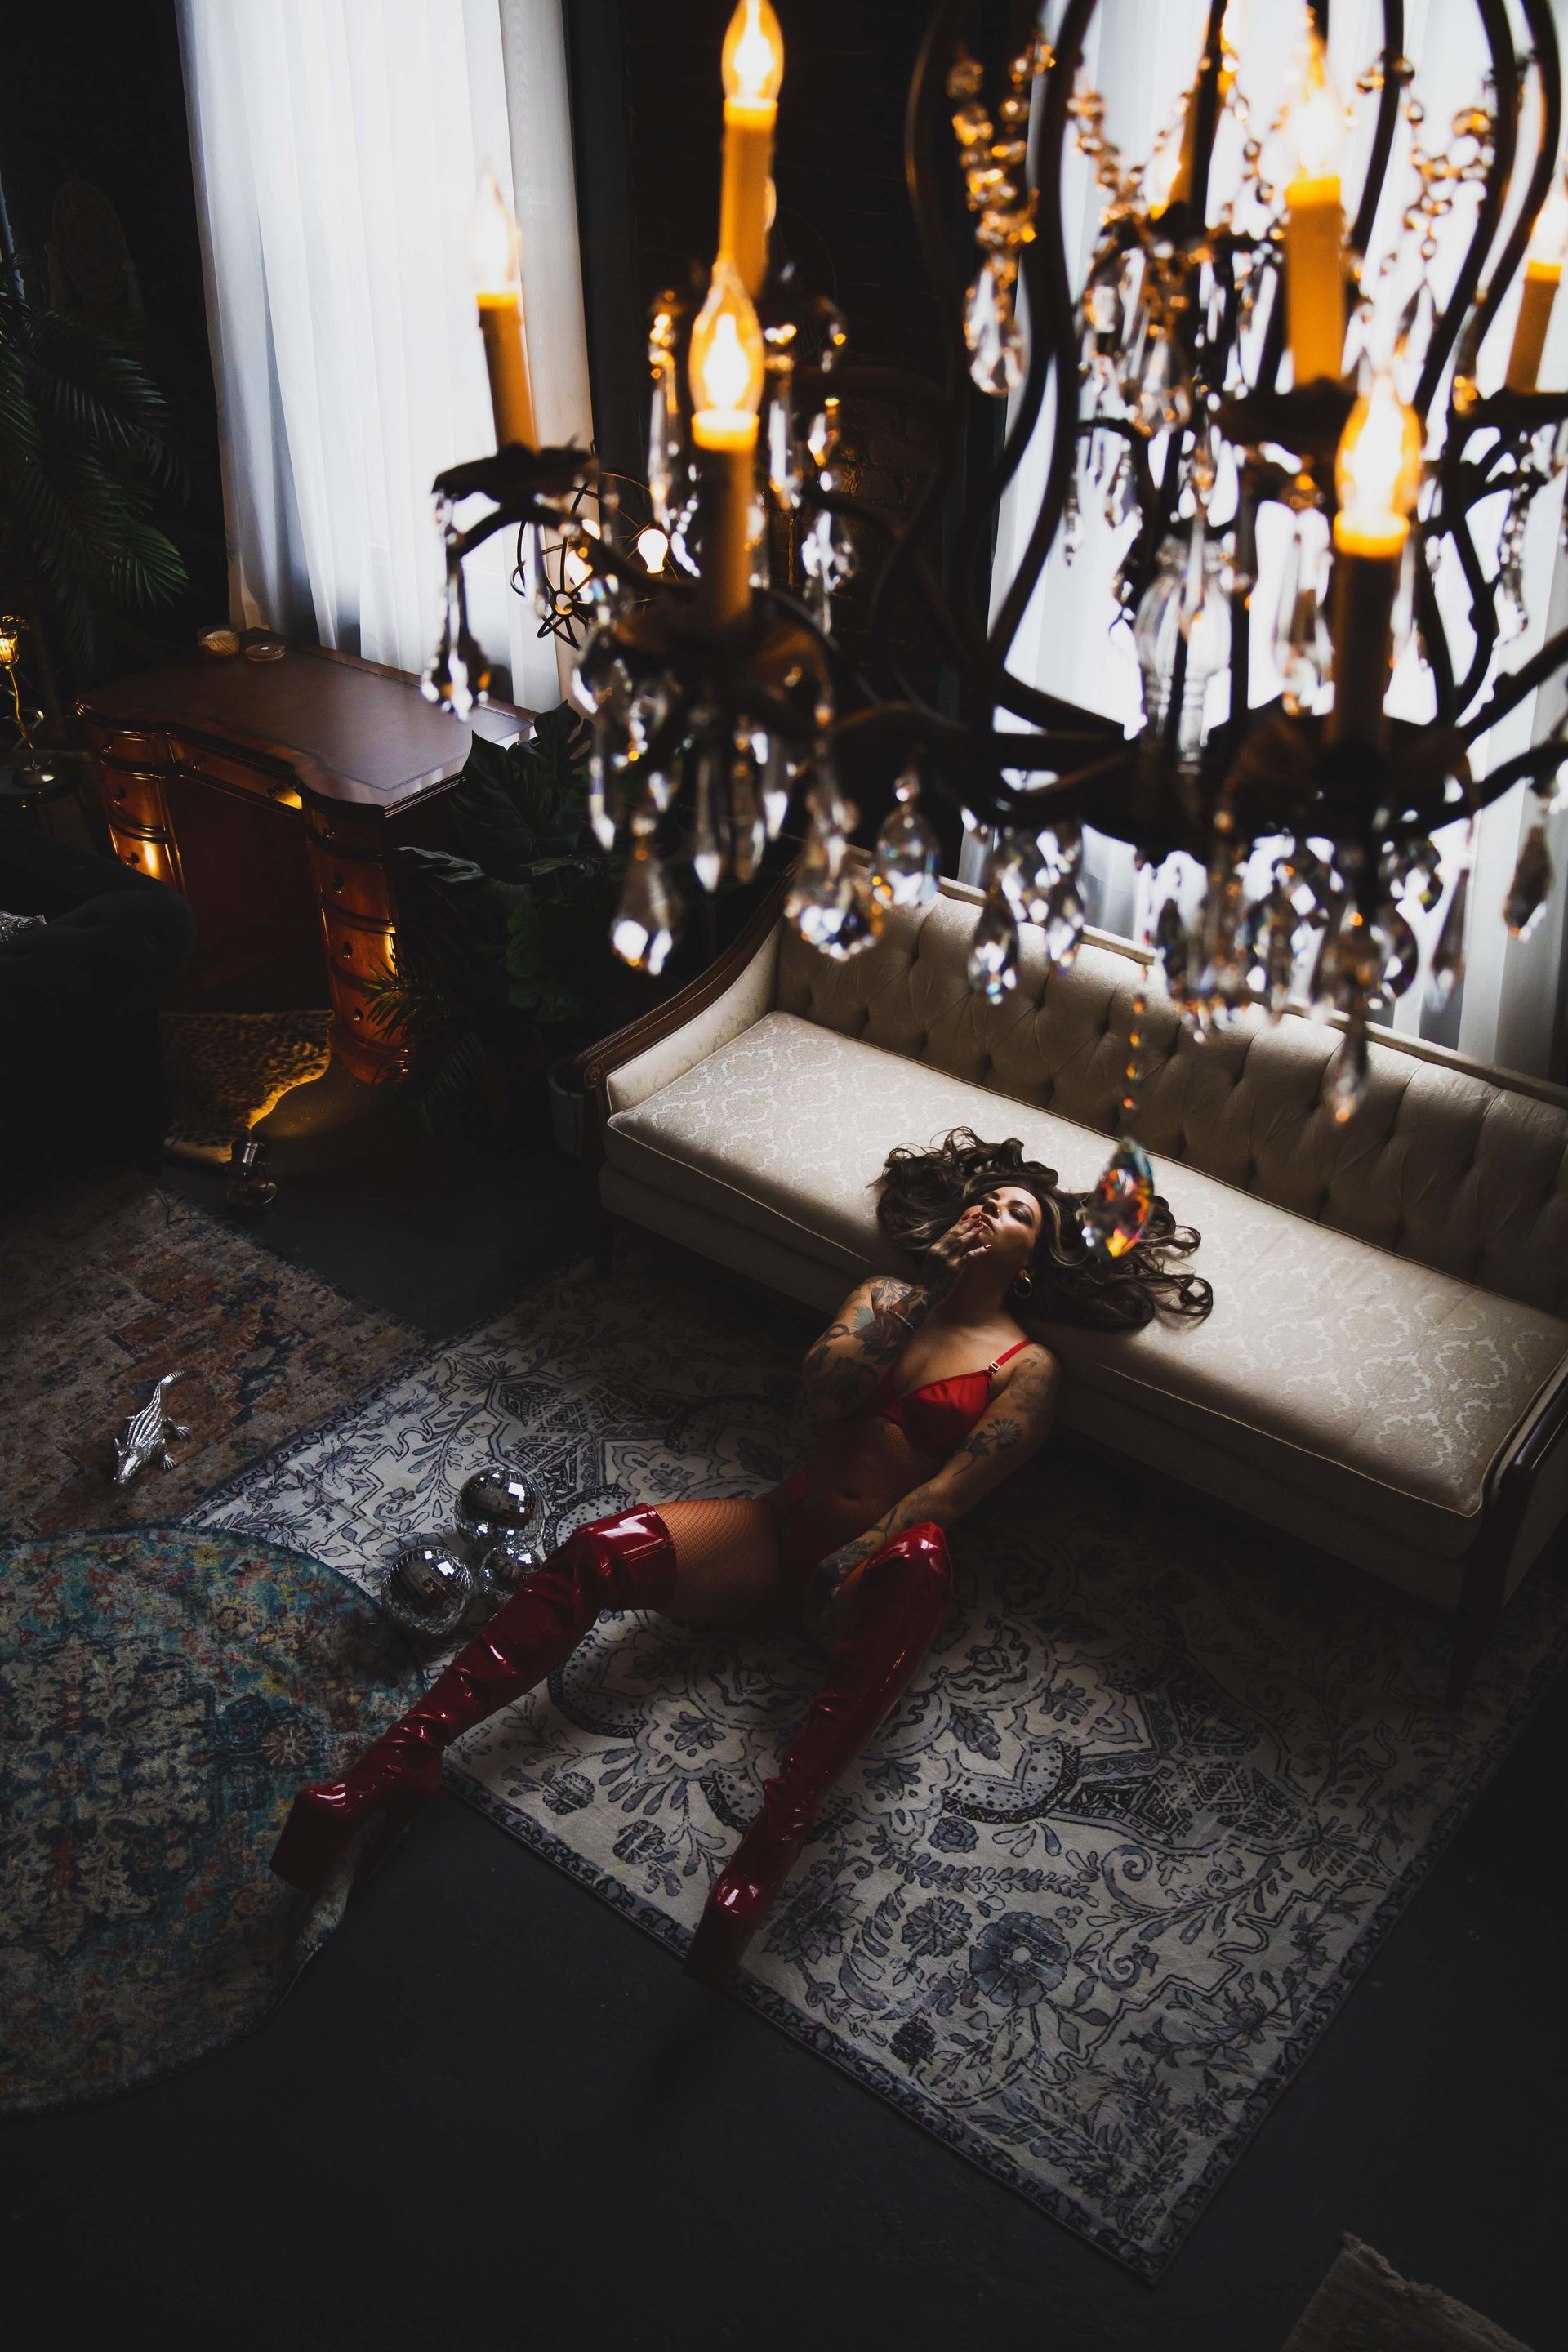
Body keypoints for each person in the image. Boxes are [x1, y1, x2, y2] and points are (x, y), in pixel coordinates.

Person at [270, 1126, 1212, 1985]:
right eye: (983, 1197)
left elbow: (949, 1495)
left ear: (1030, 1260)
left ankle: (753, 1875)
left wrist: (862, 1557)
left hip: (868, 1579)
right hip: (776, 1535)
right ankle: (395, 1764)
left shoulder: (1026, 1367)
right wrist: (917, 1296)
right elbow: (827, 1396)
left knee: (924, 1554)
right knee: (602, 1549)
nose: (984, 1209)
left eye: (1011, 1211)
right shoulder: (887, 1298)